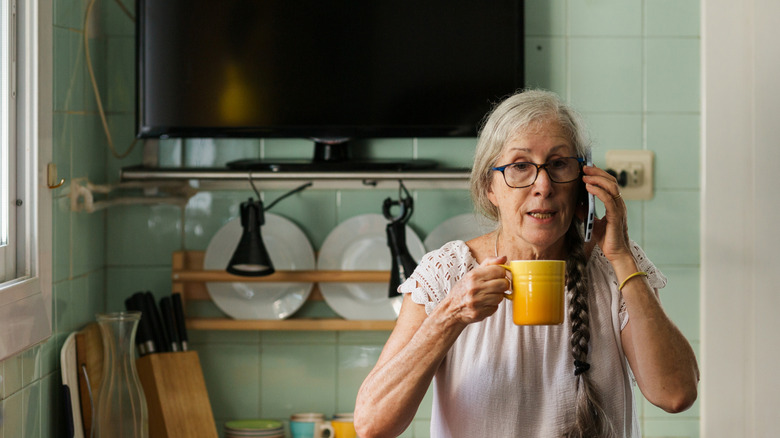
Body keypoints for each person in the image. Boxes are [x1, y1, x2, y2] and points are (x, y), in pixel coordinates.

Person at [353, 89, 699, 438]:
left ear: (583, 183)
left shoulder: (616, 264)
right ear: (490, 187)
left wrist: (622, 256)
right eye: (520, 166)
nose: (543, 186)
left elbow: (675, 394)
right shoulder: (448, 272)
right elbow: (371, 424)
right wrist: (449, 316)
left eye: (559, 164)